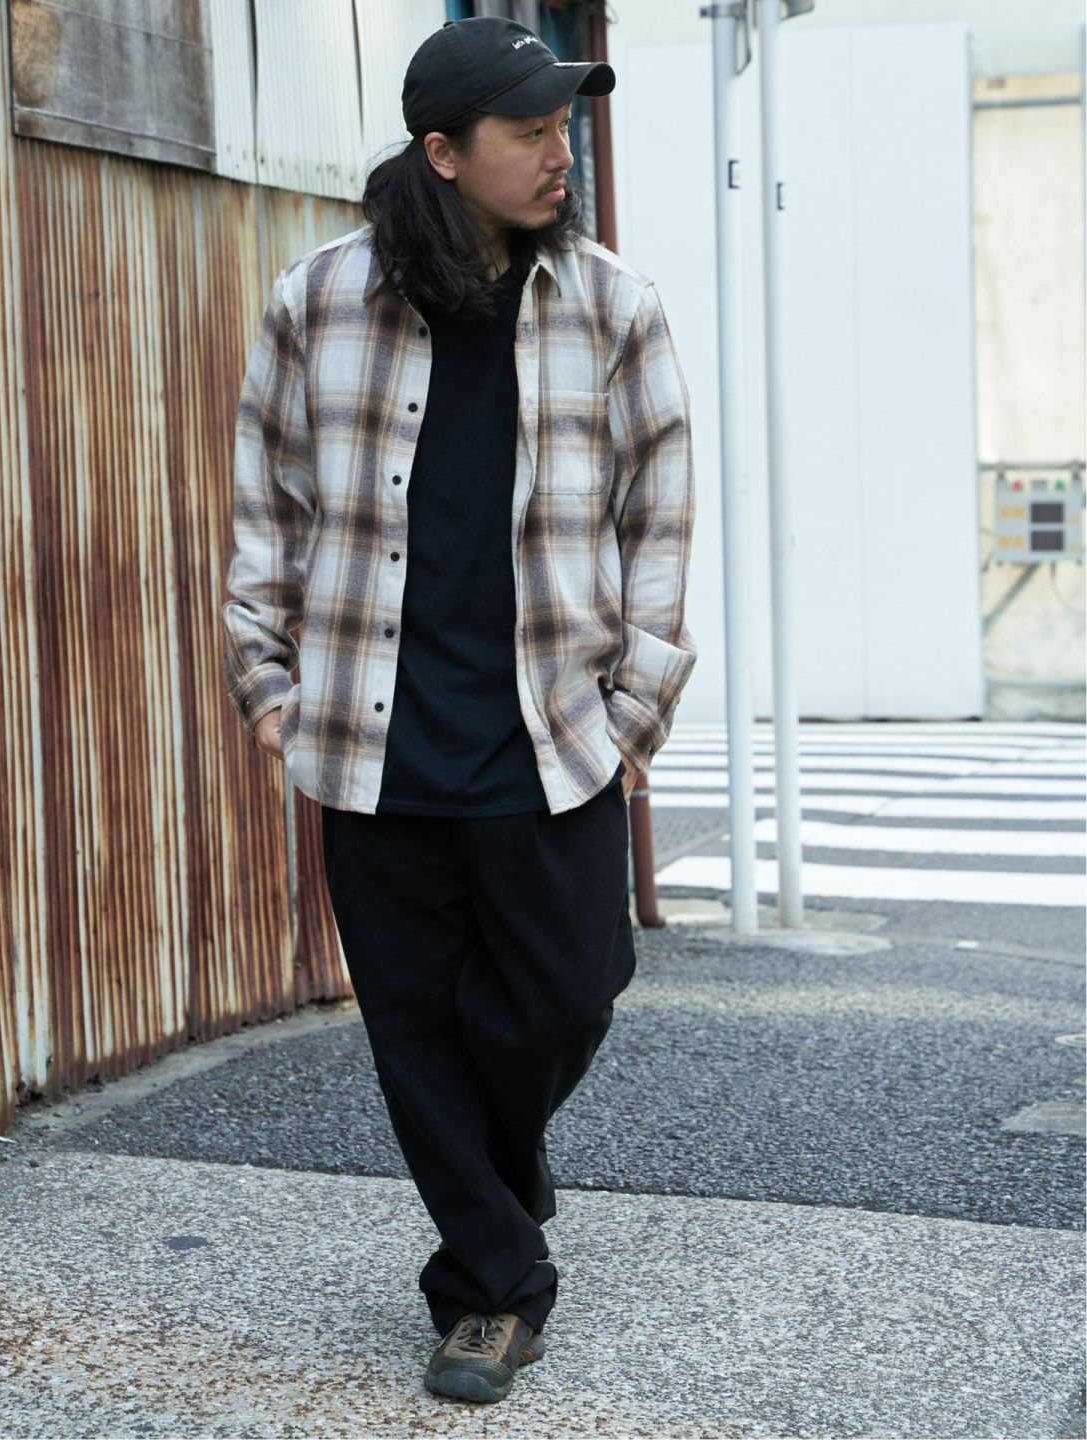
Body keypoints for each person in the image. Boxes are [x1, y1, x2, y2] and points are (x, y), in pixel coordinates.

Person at [220, 14, 697, 1407]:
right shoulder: (317, 300)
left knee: (571, 993)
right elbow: (267, 503)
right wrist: (267, 689)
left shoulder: (614, 306)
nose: (561, 155)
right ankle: (489, 1288)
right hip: (371, 738)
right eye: (530, 132)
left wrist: (636, 709)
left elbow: (660, 517)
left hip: (552, 734)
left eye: (565, 128)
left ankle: (497, 1174)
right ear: (442, 151)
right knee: (414, 1031)